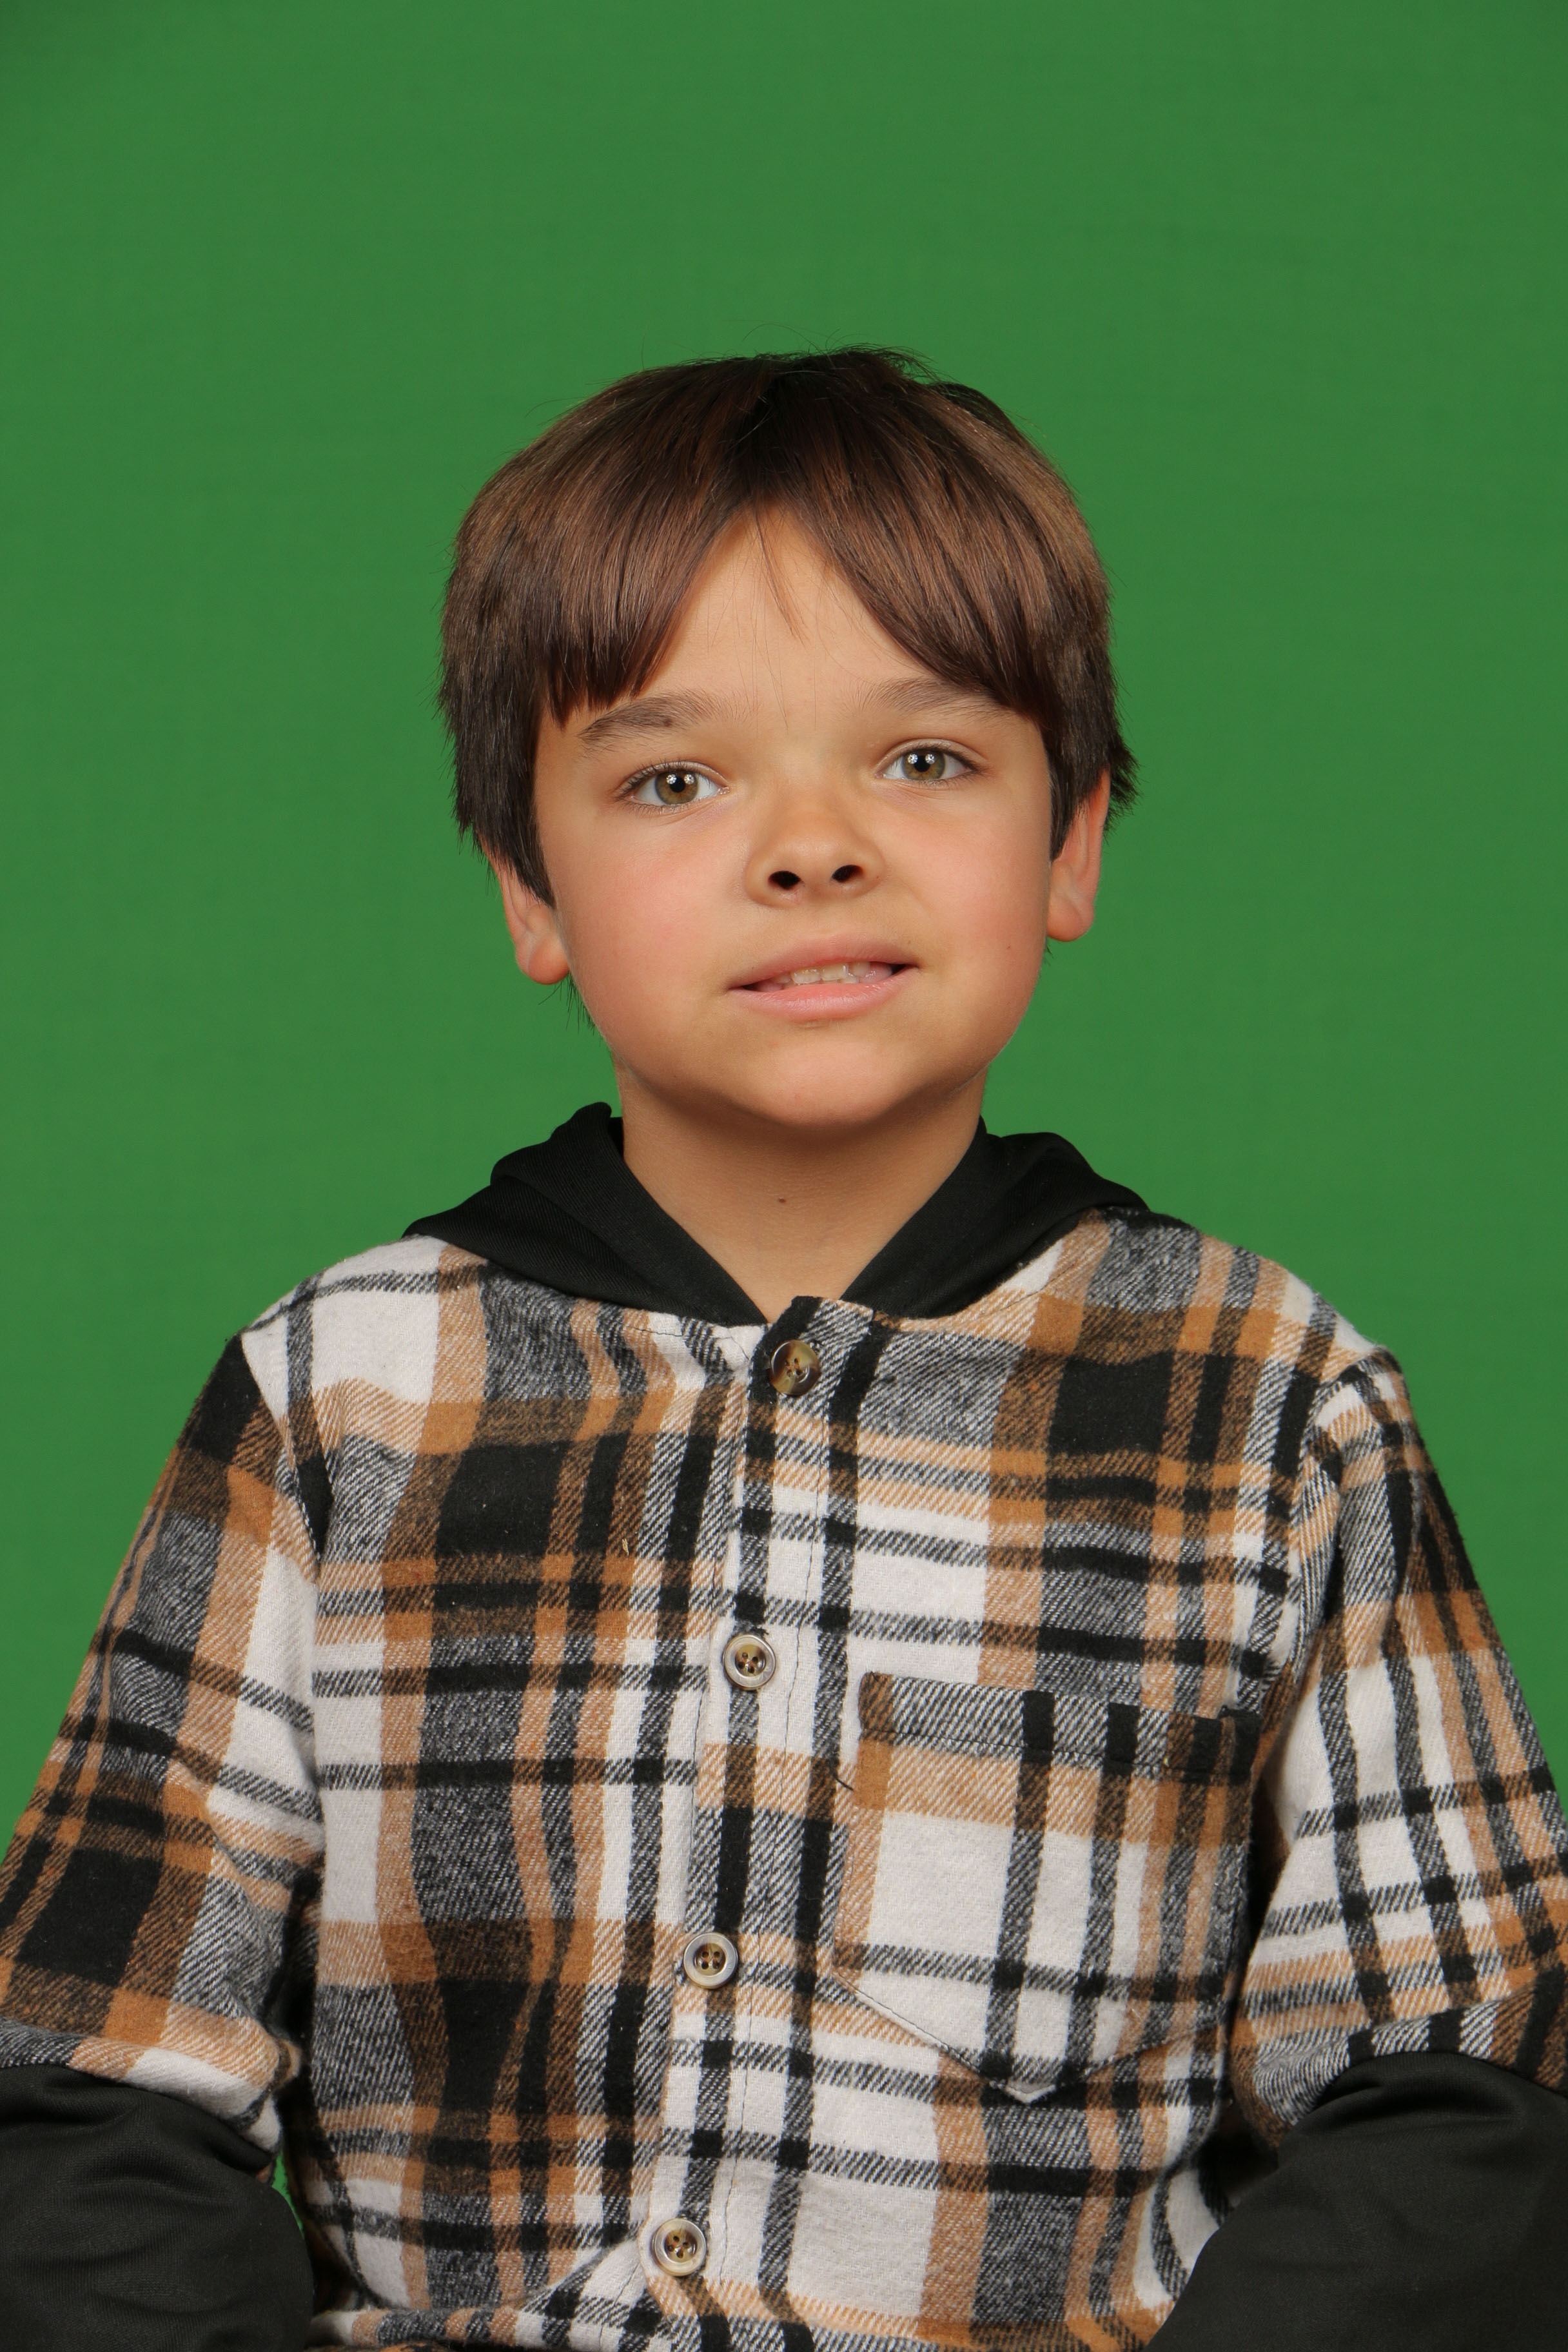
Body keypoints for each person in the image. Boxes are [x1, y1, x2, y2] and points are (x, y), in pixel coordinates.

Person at [0, 349, 1563, 2352]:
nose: (814, 845)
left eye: (924, 759)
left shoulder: (1267, 1401)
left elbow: (1463, 2092)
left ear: (1072, 842)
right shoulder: (340, 1395)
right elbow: (88, 2090)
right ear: (531, 887)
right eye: (676, 779)